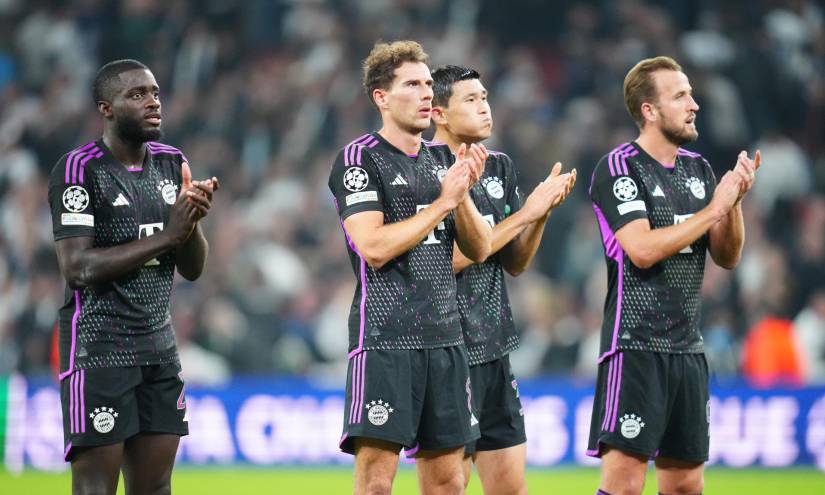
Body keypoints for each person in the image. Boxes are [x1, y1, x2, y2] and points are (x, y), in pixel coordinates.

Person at [586, 56, 759, 495]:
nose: (693, 104)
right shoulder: (619, 167)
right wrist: (715, 209)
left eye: (691, 93)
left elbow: (728, 256)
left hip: (687, 350)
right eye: (680, 95)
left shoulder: (699, 170)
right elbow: (642, 250)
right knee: (624, 484)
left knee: (685, 485)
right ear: (649, 110)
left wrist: (733, 200)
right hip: (634, 347)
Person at [328, 41, 492, 495]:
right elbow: (374, 247)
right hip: (385, 340)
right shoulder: (360, 159)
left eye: (428, 85)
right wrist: (443, 203)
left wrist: (461, 198)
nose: (427, 95)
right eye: (413, 85)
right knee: (378, 483)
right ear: (381, 97)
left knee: (448, 484)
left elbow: (478, 249)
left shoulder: (445, 159)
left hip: (445, 341)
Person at [48, 59, 219, 495]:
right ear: (106, 108)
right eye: (137, 94)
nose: (153, 102)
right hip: (98, 350)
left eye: (156, 93)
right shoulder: (79, 170)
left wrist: (192, 220)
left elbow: (193, 268)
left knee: (155, 488)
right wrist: (169, 235)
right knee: (95, 489)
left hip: (159, 350)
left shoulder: (171, 163)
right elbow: (78, 268)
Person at [430, 65, 576, 494]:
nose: (484, 107)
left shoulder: (499, 168)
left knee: (510, 488)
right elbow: (450, 259)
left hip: (494, 346)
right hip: (447, 348)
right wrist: (527, 214)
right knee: (449, 486)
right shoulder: (426, 170)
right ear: (439, 113)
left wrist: (541, 215)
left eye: (485, 97)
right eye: (470, 100)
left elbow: (515, 262)